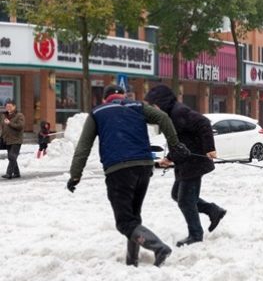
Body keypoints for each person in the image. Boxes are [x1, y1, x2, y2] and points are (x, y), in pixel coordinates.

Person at [68, 85, 189, 267]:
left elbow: (83, 147)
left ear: (104, 98)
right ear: (123, 96)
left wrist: (75, 175)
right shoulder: (137, 106)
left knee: (124, 223)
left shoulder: (98, 112)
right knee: (133, 217)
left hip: (119, 170)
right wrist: (175, 144)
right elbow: (163, 117)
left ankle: (158, 247)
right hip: (144, 167)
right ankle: (131, 261)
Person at [144, 85, 227, 247]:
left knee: (185, 201)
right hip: (185, 162)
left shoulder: (178, 112)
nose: (152, 109)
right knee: (177, 194)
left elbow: (203, 123)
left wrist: (210, 148)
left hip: (194, 162)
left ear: (161, 102)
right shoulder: (169, 115)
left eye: (153, 105)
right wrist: (169, 158)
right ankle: (213, 210)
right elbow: (180, 141)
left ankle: (196, 235)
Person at [2, 99, 24, 179]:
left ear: (14, 106)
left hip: (16, 139)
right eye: (7, 106)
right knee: (12, 157)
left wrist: (10, 123)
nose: (8, 108)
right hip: (7, 139)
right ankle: (17, 173)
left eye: (10, 106)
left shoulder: (19, 115)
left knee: (11, 156)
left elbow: (20, 126)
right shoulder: (4, 116)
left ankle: (9, 173)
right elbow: (3, 127)